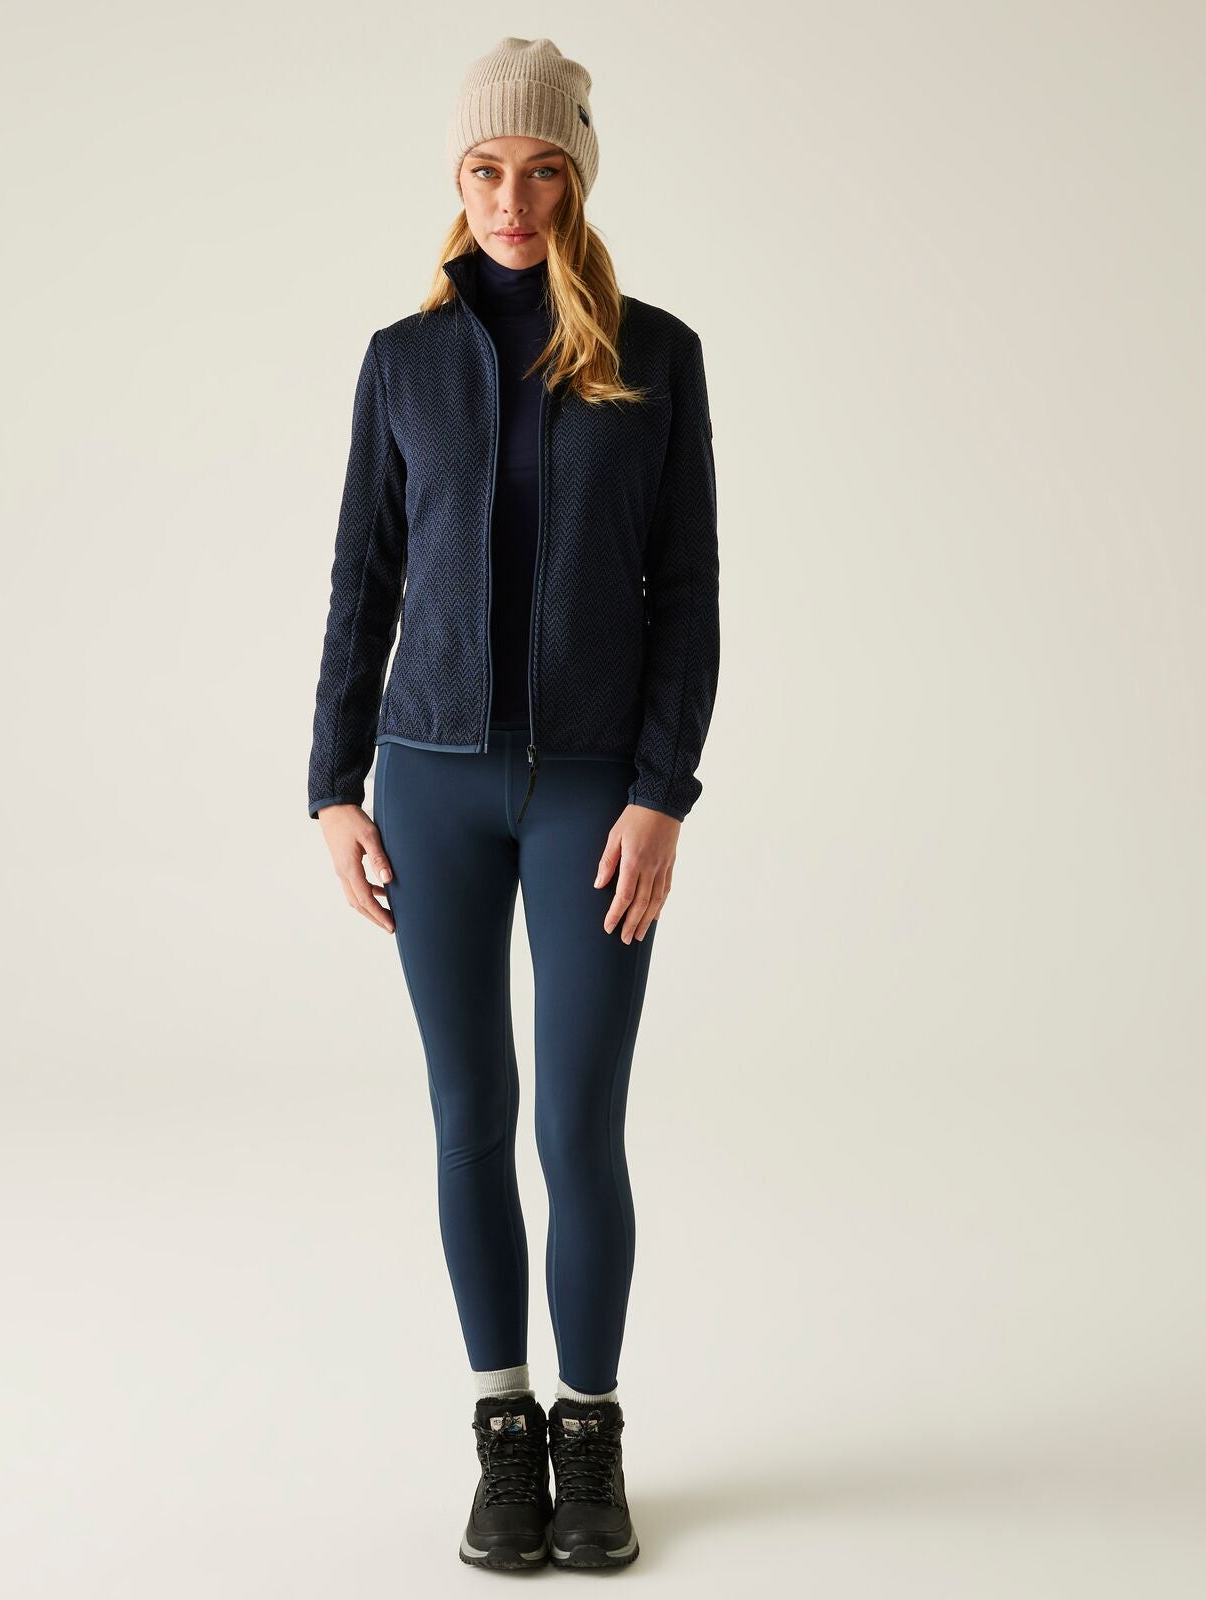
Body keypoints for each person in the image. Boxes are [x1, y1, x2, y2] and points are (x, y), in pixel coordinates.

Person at [306, 36, 720, 1571]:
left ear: (579, 175)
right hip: (429, 783)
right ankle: (502, 1432)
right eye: (487, 168)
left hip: (594, 792)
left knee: (578, 1124)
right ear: (458, 177)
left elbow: (688, 591)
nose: (514, 197)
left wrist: (663, 792)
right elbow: (362, 582)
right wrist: (332, 785)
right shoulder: (402, 362)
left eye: (544, 168)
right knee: (470, 1115)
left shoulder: (655, 354)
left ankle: (590, 1438)